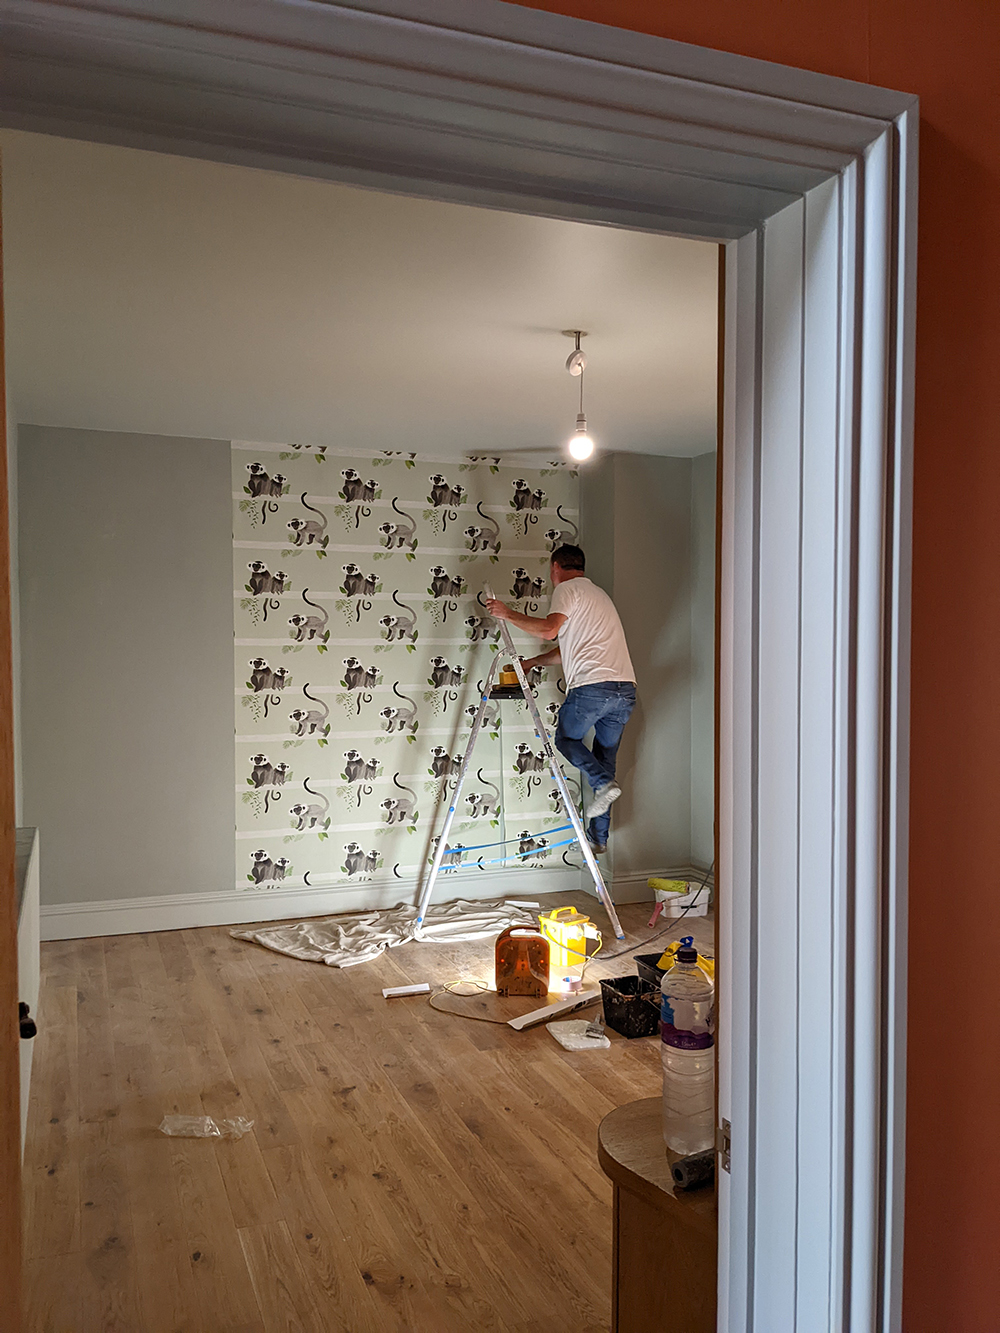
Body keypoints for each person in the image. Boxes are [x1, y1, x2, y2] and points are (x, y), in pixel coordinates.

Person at [486, 544, 636, 854]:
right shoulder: (597, 595)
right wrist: (532, 663)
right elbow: (568, 650)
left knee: (567, 740)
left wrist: (506, 613)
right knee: (604, 761)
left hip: (593, 688)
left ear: (555, 568)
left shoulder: (567, 589)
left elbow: (549, 630)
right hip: (623, 690)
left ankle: (603, 788)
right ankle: (598, 839)